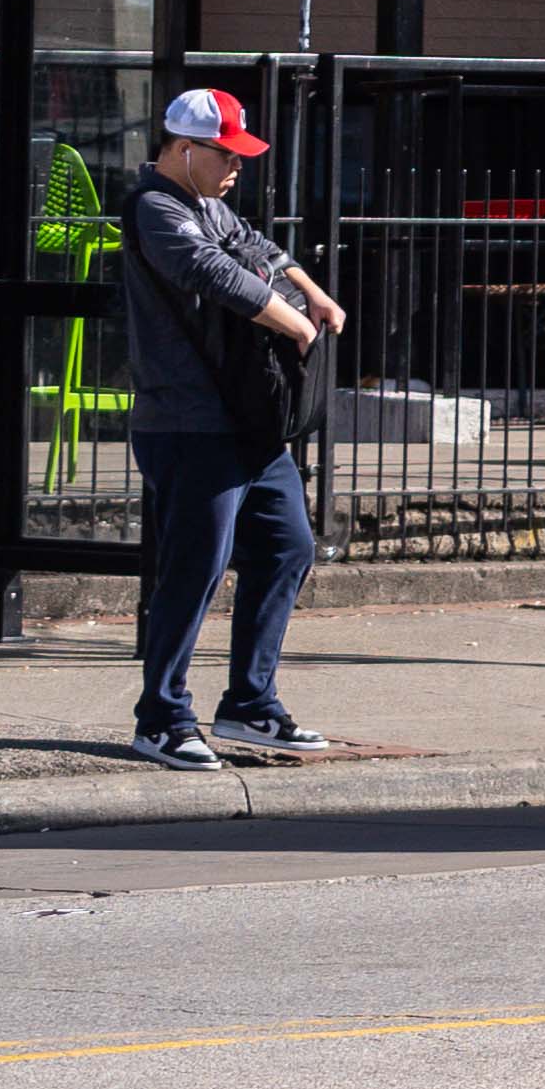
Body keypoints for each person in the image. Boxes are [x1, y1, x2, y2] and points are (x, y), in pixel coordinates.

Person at [115, 87, 347, 768]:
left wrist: (314, 291)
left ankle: (249, 704)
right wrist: (294, 319)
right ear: (185, 150)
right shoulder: (154, 207)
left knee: (287, 546)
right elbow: (208, 268)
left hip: (244, 421)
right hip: (187, 423)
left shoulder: (207, 203)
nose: (236, 168)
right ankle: (160, 717)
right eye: (227, 155)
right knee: (196, 568)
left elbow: (259, 248)